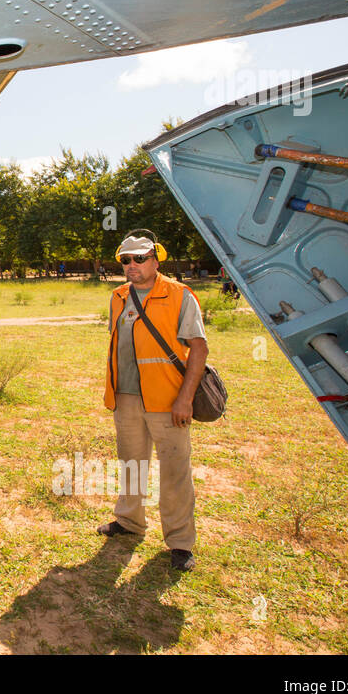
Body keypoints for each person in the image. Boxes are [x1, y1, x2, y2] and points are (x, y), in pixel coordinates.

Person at [100, 232, 208, 572]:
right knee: (132, 463)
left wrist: (185, 399)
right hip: (126, 399)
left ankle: (179, 542)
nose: (132, 265)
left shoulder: (179, 295)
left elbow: (199, 349)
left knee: (175, 472)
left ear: (155, 261)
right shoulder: (118, 297)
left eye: (139, 258)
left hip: (168, 401)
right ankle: (130, 521)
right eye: (125, 260)